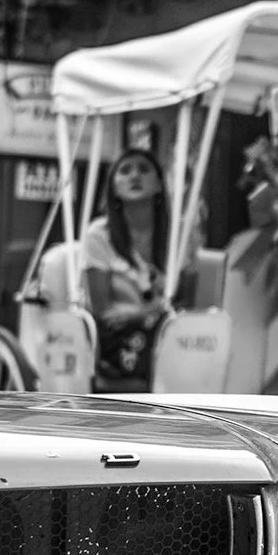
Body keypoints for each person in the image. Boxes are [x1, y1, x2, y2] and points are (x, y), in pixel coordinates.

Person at [34, 149, 166, 384]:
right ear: (113, 188)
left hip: (166, 329)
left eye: (144, 169)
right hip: (118, 338)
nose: (135, 175)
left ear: (158, 184)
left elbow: (189, 301)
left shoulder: (175, 233)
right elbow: (103, 311)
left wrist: (145, 312)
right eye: (125, 171)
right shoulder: (99, 235)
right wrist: (149, 312)